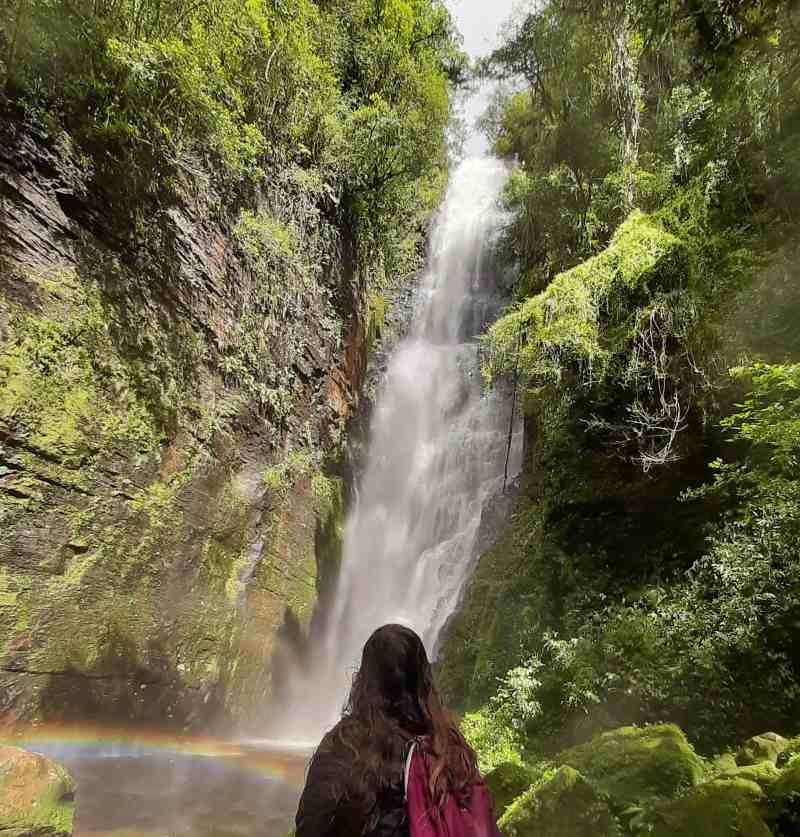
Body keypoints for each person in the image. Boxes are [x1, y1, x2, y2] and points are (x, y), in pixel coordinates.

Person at [295, 623, 494, 837]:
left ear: (364, 680)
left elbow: (311, 826)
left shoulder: (345, 745)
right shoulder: (449, 748)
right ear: (423, 678)